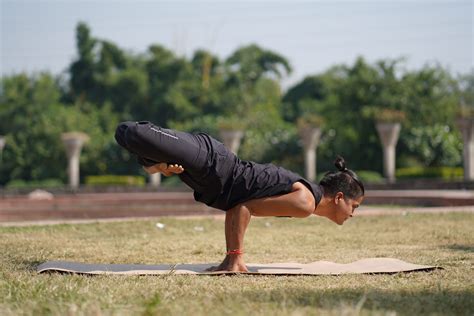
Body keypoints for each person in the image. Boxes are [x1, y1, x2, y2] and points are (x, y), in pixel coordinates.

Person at [115, 121, 365, 272]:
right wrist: (234, 259)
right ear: (339, 197)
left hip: (208, 180)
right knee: (129, 132)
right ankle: (153, 159)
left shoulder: (306, 203)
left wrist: (158, 168)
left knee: (136, 145)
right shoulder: (305, 202)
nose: (353, 213)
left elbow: (240, 206)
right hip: (214, 162)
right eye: (354, 206)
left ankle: (156, 164)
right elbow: (242, 208)